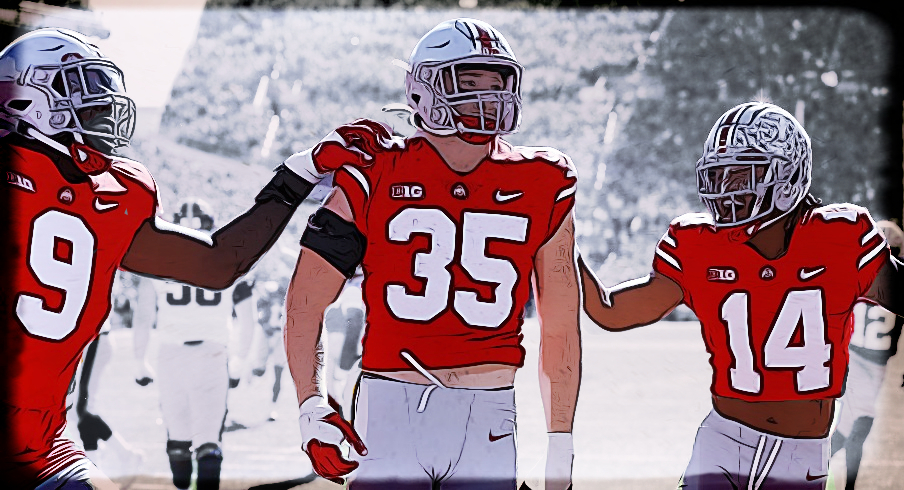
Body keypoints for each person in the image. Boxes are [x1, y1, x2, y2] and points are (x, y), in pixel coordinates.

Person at [0, 28, 348, 487]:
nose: (103, 111)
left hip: (46, 446)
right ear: (24, 99)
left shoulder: (114, 195)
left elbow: (216, 264)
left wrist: (295, 177)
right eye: (82, 95)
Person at [284, 18, 582, 490]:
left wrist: (560, 443)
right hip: (390, 402)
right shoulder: (373, 168)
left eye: (496, 83)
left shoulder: (544, 179)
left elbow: (562, 324)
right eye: (468, 83)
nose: (488, 97)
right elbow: (305, 301)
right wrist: (310, 404)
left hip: (489, 408)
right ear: (423, 88)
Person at [579, 101, 903, 489]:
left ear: (786, 175)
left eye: (740, 174)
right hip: (722, 440)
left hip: (802, 452)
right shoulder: (697, 243)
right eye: (720, 174)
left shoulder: (841, 236)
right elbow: (610, 311)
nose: (724, 187)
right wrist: (563, 250)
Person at [131, 198, 257, 490]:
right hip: (213, 354)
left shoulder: (156, 263)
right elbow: (248, 320)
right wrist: (240, 360)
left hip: (170, 354)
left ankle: (182, 481)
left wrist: (140, 360)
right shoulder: (229, 263)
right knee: (209, 440)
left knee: (177, 436)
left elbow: (143, 316)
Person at [830, 220, 904, 490]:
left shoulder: (856, 271)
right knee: (861, 425)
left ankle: (809, 470)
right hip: (863, 361)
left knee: (848, 429)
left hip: (859, 360)